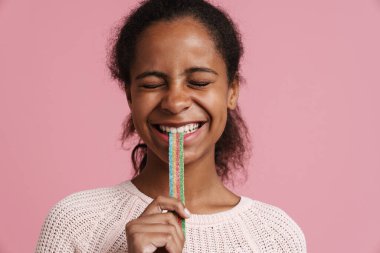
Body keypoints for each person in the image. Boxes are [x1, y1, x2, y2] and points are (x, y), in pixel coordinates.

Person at [36, 0, 307, 252]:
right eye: (152, 84)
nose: (175, 102)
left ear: (232, 91)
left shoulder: (274, 237)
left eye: (199, 82)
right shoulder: (76, 223)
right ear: (130, 96)